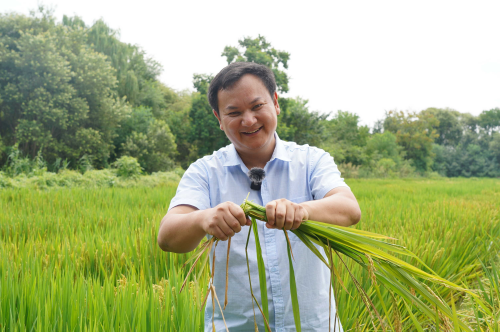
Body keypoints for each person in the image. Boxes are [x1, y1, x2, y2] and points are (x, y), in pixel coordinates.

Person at [157, 62, 361, 331]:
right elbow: (167, 237)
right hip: (236, 326)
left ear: (275, 103)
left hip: (313, 325)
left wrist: (303, 211)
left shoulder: (311, 161)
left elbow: (349, 209)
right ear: (219, 119)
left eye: (257, 106)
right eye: (234, 112)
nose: (249, 120)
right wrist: (204, 219)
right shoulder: (205, 172)